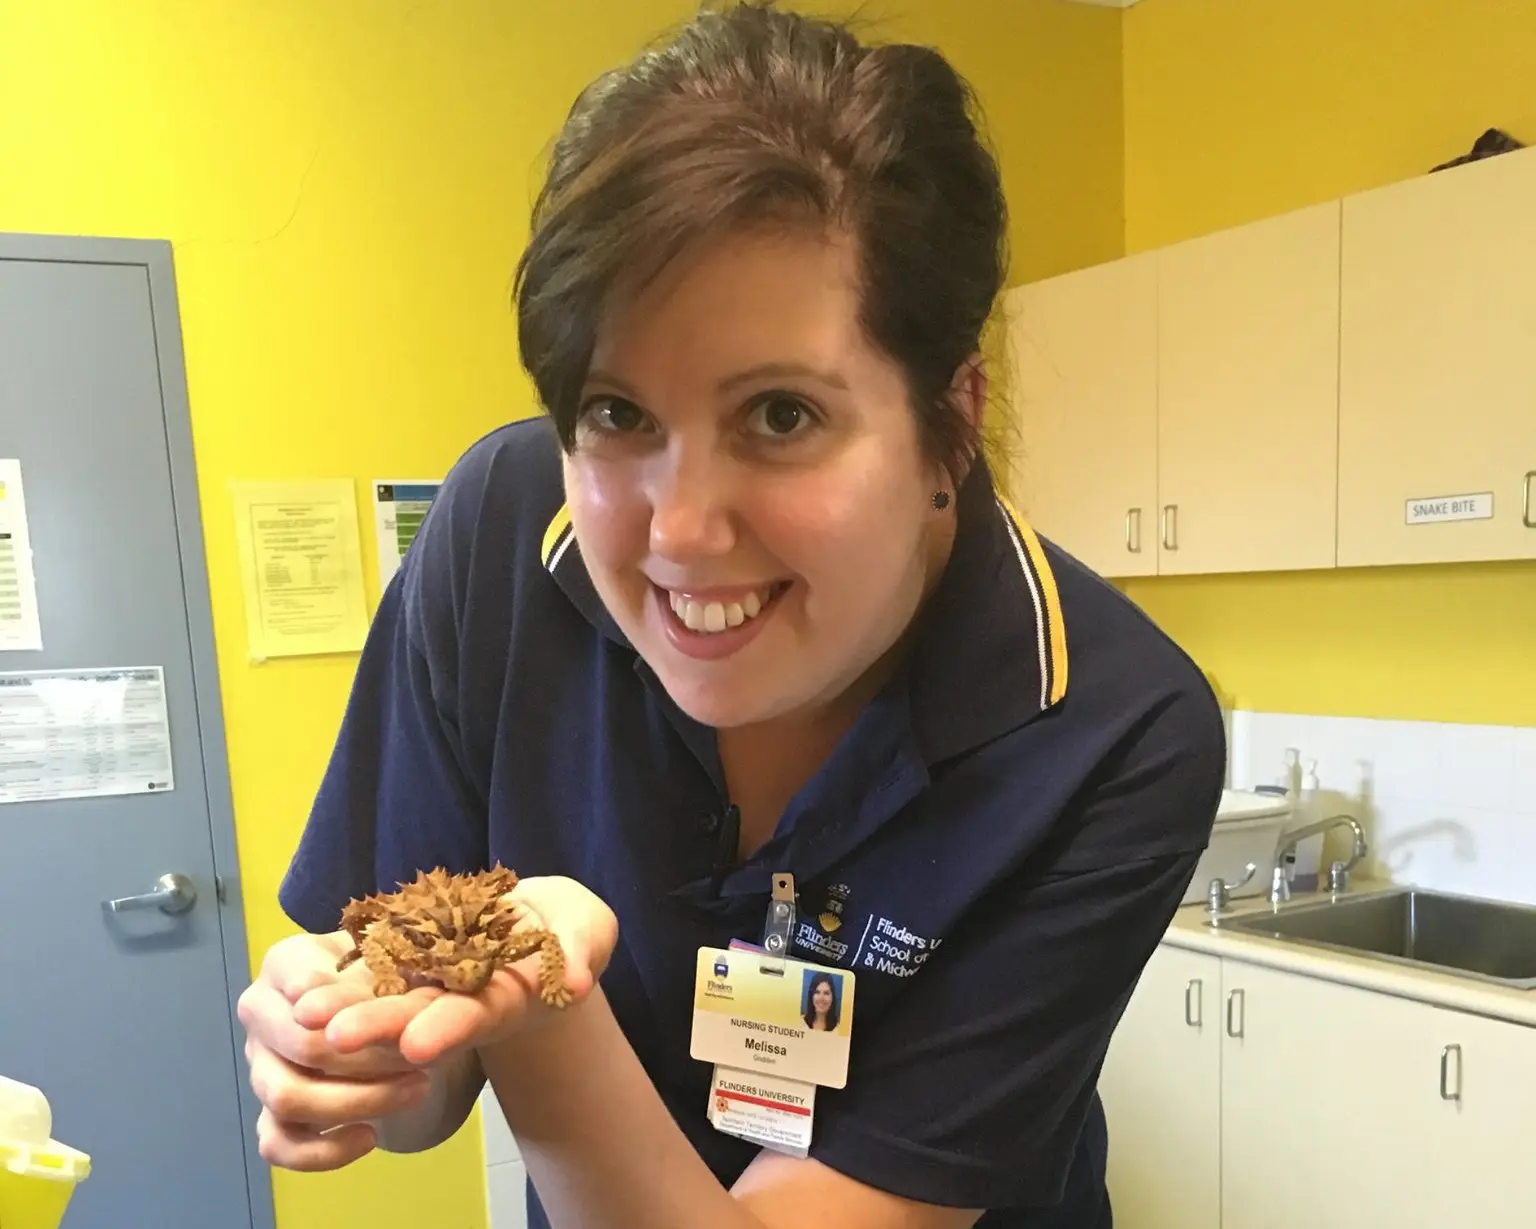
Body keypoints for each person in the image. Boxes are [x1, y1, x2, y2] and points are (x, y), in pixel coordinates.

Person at [235, 4, 1226, 1227]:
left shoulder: (1108, 728)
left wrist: (536, 992)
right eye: (617, 414)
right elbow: (424, 1095)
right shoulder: (497, 538)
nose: (679, 531)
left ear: (951, 417)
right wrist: (359, 1047)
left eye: (781, 416)